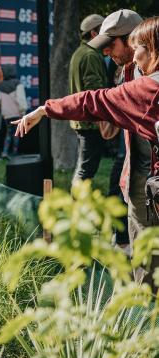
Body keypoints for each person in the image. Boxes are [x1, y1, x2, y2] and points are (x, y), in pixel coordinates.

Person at [12, 16, 159, 289]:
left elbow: (95, 100)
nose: (105, 52)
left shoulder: (148, 86)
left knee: (150, 264)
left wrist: (45, 109)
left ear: (147, 47)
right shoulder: (131, 72)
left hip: (152, 182)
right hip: (140, 180)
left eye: (136, 48)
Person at [87, 10, 150, 252]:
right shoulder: (124, 71)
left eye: (110, 45)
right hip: (134, 171)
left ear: (132, 39)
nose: (105, 52)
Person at [69, 14, 107, 184]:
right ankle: (76, 208)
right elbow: (94, 91)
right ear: (93, 33)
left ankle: (77, 205)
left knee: (84, 168)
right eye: (103, 31)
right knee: (85, 171)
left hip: (83, 120)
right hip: (90, 122)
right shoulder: (90, 55)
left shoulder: (80, 52)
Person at [0, 64, 28, 159]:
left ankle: (5, 152)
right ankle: (14, 152)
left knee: (8, 133)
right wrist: (23, 111)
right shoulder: (18, 84)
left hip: (6, 114)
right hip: (17, 114)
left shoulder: (0, 85)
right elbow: (21, 99)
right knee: (16, 133)